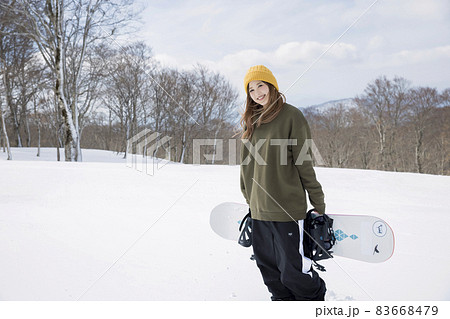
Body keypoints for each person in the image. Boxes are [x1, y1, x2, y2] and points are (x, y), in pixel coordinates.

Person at [239, 65, 327, 301]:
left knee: (293, 273)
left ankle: (316, 300)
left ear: (271, 85)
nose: (257, 93)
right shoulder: (252, 121)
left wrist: (318, 202)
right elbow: (247, 166)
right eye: (251, 89)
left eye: (261, 85)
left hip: (286, 209)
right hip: (259, 210)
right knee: (270, 273)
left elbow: (304, 163)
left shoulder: (291, 116)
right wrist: (250, 200)